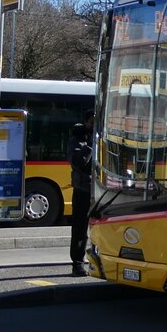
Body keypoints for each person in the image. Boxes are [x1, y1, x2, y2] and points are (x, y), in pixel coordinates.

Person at [68, 110, 94, 277]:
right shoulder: (77, 138)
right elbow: (78, 162)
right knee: (80, 227)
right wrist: (92, 143)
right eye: (92, 122)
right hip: (83, 189)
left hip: (103, 190)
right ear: (85, 122)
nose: (94, 125)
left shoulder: (107, 136)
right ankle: (78, 263)